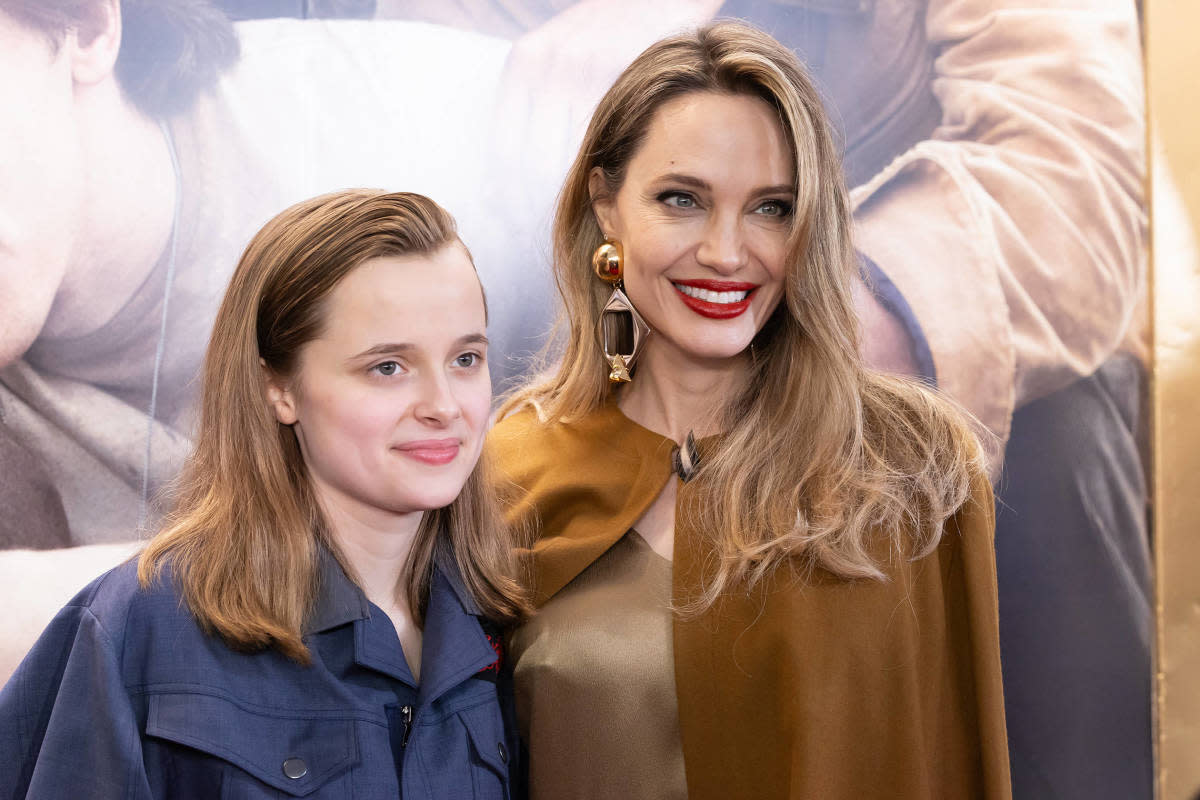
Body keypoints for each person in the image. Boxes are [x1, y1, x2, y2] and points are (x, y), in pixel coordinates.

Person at [491, 20, 1011, 800]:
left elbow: (954, 760)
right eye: (682, 200)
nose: (728, 254)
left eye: (771, 208)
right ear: (606, 207)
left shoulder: (915, 466)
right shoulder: (505, 472)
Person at [0, 189, 529, 798]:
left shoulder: (503, 626)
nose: (444, 406)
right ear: (278, 388)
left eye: (466, 358)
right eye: (388, 367)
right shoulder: (138, 627)